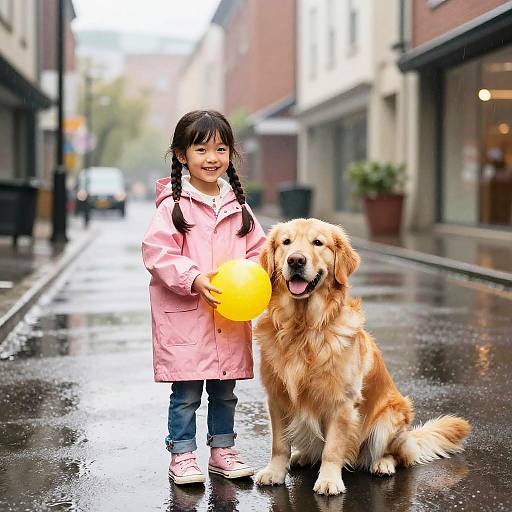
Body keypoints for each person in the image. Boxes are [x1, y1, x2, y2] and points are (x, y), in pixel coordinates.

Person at [142, 111, 267, 485]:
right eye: (201, 149)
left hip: (228, 318)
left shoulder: (239, 207)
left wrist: (256, 276)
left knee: (225, 392)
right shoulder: (173, 207)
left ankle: (223, 450)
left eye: (221, 148)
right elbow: (157, 253)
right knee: (186, 394)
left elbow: (259, 252)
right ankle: (181, 454)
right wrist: (193, 277)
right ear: (182, 155)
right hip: (187, 317)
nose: (212, 158)